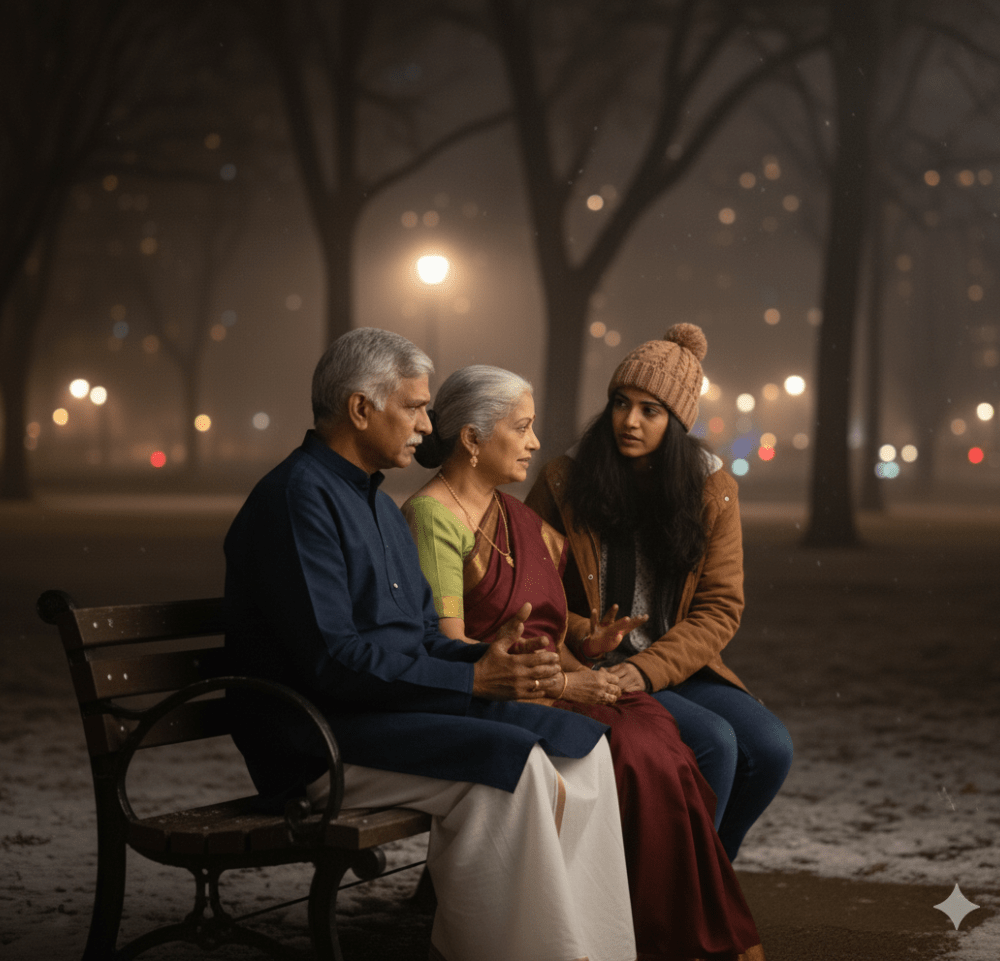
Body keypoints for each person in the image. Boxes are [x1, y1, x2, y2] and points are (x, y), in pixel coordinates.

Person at [223, 329, 636, 961]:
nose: (427, 421)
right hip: (319, 740)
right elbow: (329, 660)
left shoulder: (380, 506)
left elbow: (417, 638)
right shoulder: (296, 500)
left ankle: (596, 949)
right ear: (361, 410)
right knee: (518, 765)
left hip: (388, 711)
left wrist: (485, 659)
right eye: (414, 407)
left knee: (585, 749)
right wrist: (472, 682)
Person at [402, 364, 765, 961]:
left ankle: (675, 909)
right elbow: (458, 644)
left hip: (599, 668)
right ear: (472, 439)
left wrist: (586, 640)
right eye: (522, 428)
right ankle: (661, 917)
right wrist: (577, 673)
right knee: (666, 745)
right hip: (515, 686)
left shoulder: (508, 514)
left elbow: (545, 609)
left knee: (687, 741)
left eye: (651, 410)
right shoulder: (444, 515)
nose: (537, 441)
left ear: (677, 423)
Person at [525, 323, 793, 862]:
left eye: (651, 410)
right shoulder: (565, 481)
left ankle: (704, 879)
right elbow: (531, 590)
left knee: (769, 749)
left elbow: (720, 608)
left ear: (677, 422)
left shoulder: (710, 490)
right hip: (591, 666)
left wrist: (646, 670)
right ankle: (672, 897)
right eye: (621, 403)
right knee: (714, 742)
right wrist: (587, 637)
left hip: (675, 665)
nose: (629, 421)